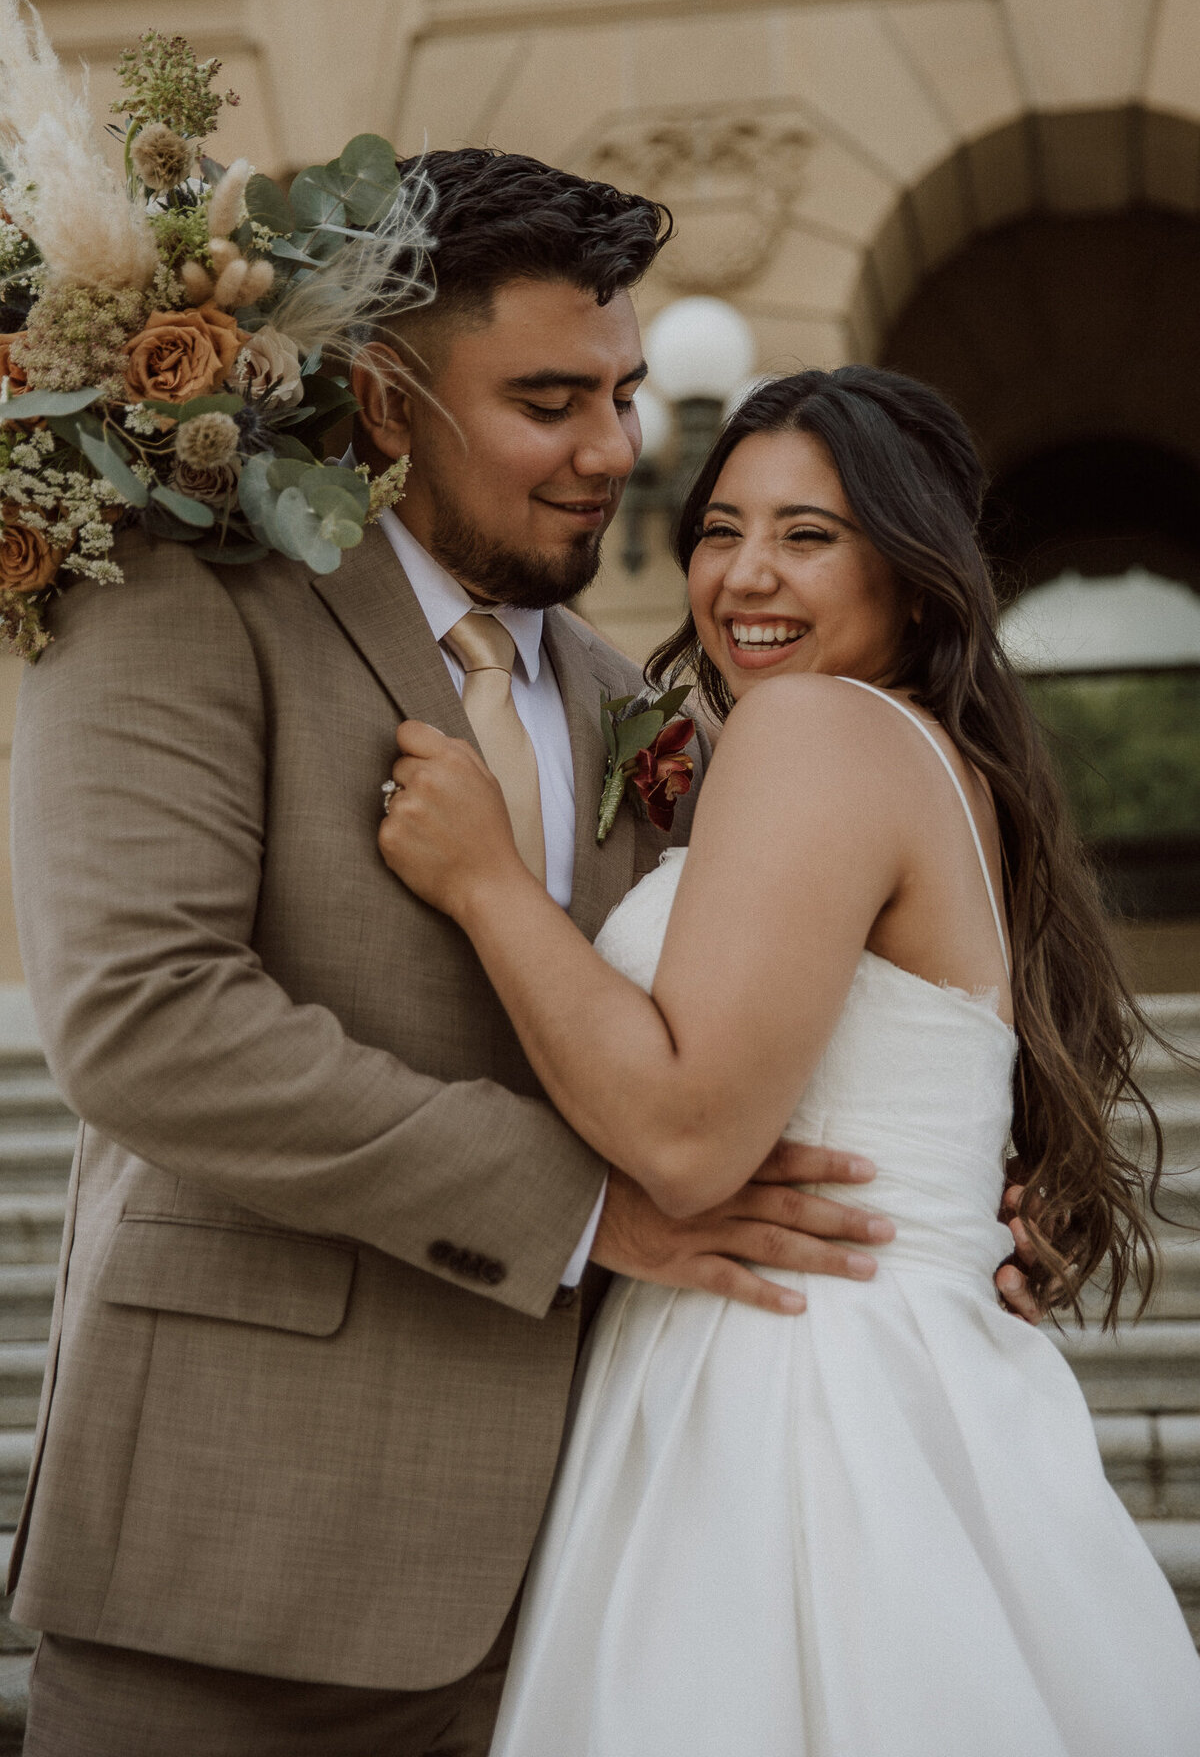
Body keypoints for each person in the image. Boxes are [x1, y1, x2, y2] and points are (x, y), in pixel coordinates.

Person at [7, 154, 911, 1757]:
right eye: (551, 401)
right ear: (382, 400)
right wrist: (577, 1206)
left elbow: (710, 1019)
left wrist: (946, 1215)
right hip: (230, 1577)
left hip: (579, 1589)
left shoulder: (621, 687)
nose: (617, 452)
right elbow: (146, 1019)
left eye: (628, 394)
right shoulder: (175, 596)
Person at [378, 365, 1200, 1755]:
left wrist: (487, 884)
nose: (745, 574)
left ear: (919, 574)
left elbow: (692, 1139)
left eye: (810, 536)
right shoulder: (923, 757)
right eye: (719, 527)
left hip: (791, 1410)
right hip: (882, 1375)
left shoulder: (813, 730)